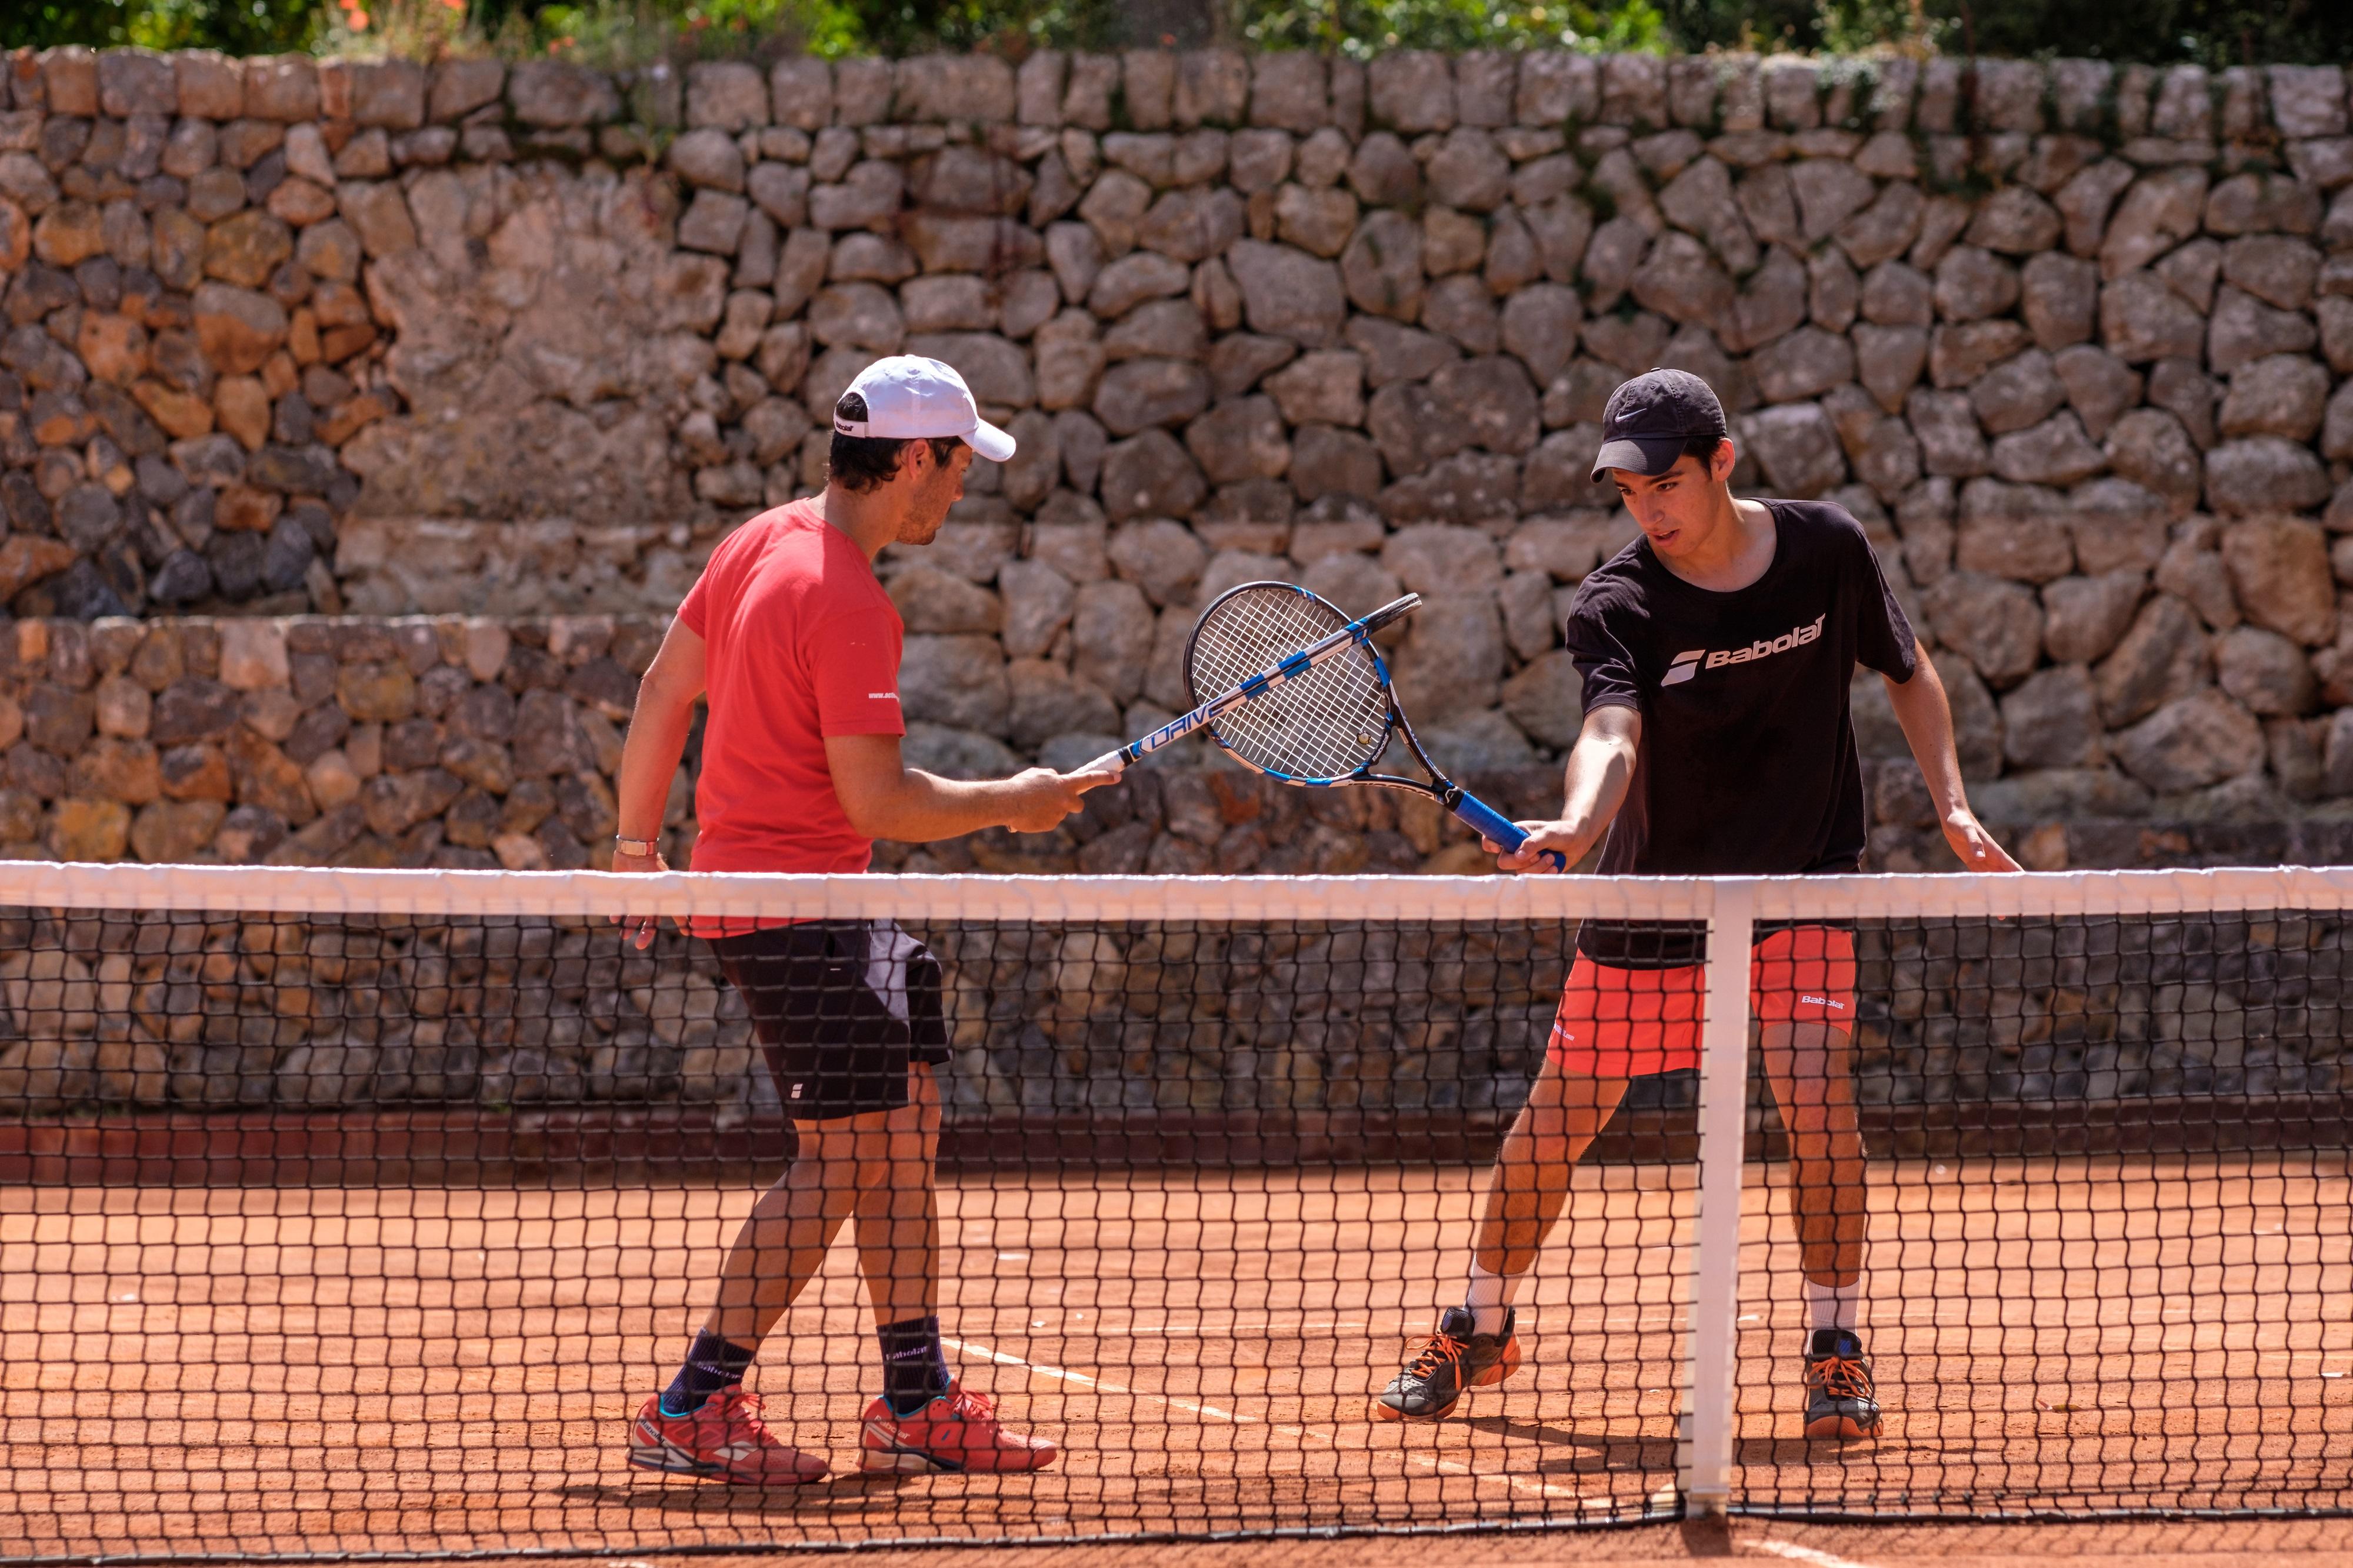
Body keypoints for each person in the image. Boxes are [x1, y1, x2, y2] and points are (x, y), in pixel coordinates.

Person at [1372, 368, 2021, 1441]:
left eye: (1667, 483)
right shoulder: (1617, 602)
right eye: (1630, 494)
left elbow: (1908, 668)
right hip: (1656, 898)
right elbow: (1612, 733)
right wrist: (1578, 826)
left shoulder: (1827, 550)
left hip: (1800, 882)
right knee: (1555, 1127)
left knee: (1816, 1097)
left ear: (1723, 462)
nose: (1651, 510)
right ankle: (1478, 1324)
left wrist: (1952, 805)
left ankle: (1836, 1348)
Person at [609, 356, 1103, 1484]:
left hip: (827, 902)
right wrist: (1015, 804)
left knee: (909, 1121)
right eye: (960, 466)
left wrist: (638, 850)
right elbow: (877, 799)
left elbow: (658, 690)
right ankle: (693, 1402)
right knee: (843, 1159)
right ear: (916, 460)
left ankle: (917, 1397)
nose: (963, 489)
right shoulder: (844, 600)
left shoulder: (757, 542)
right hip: (790, 911)